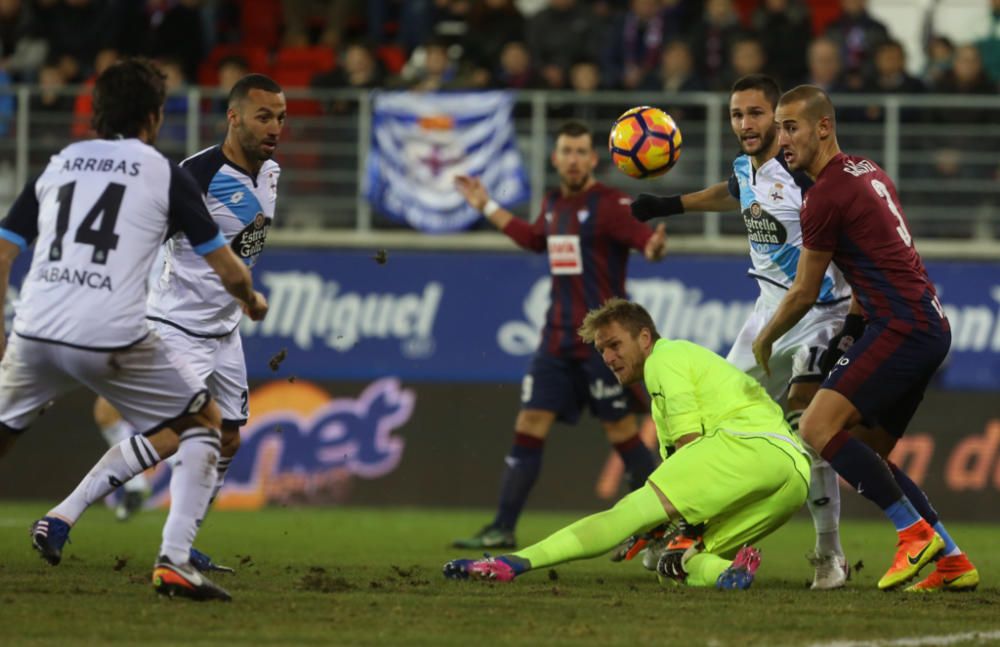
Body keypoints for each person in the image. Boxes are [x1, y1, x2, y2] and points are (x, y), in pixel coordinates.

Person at [0, 59, 268, 601]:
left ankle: (168, 546)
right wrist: (251, 298)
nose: (277, 127)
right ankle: (170, 559)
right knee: (199, 426)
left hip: (35, 328)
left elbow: (4, 250)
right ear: (154, 116)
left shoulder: (60, 162)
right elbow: (225, 264)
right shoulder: (167, 171)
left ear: (97, 111)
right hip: (120, 329)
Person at [751, 85, 979, 592]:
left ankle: (914, 535)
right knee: (866, 451)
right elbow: (866, 272)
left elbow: (805, 291)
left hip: (901, 325)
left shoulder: (824, 196)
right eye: (779, 128)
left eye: (791, 127)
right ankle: (951, 560)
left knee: (814, 427)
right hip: (926, 323)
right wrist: (849, 334)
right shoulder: (866, 170)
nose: (780, 138)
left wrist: (764, 338)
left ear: (823, 127)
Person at [629, 74, 851, 589]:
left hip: (818, 314)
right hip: (766, 309)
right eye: (736, 115)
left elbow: (848, 234)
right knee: (710, 427)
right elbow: (731, 192)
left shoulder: (805, 176)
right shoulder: (745, 167)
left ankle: (829, 554)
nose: (745, 125)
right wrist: (669, 205)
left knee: (807, 429)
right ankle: (688, 532)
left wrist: (855, 317)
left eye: (755, 114)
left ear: (778, 119)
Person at [443, 298, 810, 589]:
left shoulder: (664, 359)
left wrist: (653, 520)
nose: (608, 357)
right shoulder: (669, 381)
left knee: (623, 515)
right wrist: (667, 531)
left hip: (746, 446)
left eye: (615, 344)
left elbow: (690, 444)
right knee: (671, 561)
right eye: (602, 350)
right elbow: (684, 468)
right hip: (793, 476)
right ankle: (726, 574)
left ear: (645, 338)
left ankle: (513, 563)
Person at [74, 73, 286, 569]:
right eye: (264, 116)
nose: (275, 126)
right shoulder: (195, 175)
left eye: (280, 117)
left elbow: (247, 242)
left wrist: (239, 292)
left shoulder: (271, 171)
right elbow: (144, 236)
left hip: (223, 328)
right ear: (233, 117)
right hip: (172, 323)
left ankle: (182, 542)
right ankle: (68, 513)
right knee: (174, 429)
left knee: (228, 436)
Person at [450, 121, 667, 550]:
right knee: (529, 423)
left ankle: (661, 522)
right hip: (555, 342)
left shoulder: (609, 204)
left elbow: (644, 240)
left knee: (622, 433)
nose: (572, 158)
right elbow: (533, 239)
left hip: (601, 347)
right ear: (555, 158)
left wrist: (654, 247)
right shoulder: (552, 204)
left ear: (592, 159)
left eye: (580, 151)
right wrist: (485, 204)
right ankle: (502, 527)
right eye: (565, 150)